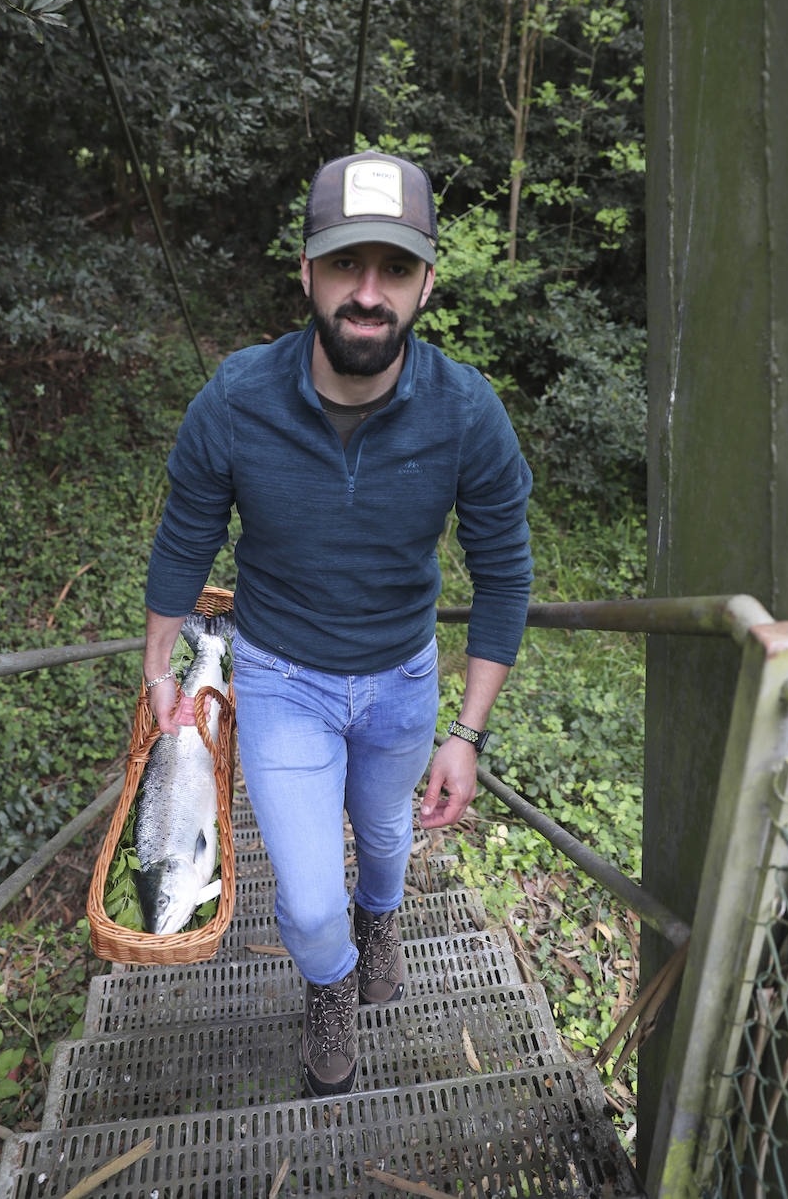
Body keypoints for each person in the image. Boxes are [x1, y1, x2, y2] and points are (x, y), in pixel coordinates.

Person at [142, 150, 533, 1097]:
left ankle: (386, 919)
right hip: (281, 680)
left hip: (402, 680)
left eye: (394, 268)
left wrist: (468, 732)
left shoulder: (467, 414)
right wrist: (161, 667)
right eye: (346, 265)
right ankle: (331, 983)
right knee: (313, 903)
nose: (369, 293)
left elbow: (504, 572)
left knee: (386, 837)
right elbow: (184, 537)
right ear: (306, 271)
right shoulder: (236, 400)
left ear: (428, 281)